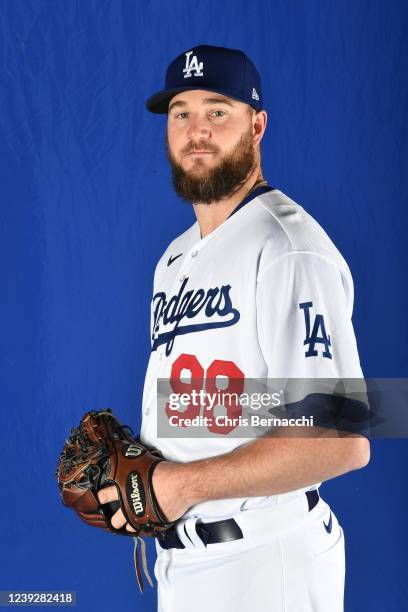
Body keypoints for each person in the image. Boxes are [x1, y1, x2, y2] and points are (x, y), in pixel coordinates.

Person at [97, 45, 370, 612]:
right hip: (183, 565)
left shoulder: (289, 248)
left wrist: (178, 486)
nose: (197, 130)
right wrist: (147, 470)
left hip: (266, 561)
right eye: (181, 112)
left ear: (257, 124)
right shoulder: (174, 258)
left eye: (218, 110)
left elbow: (340, 440)